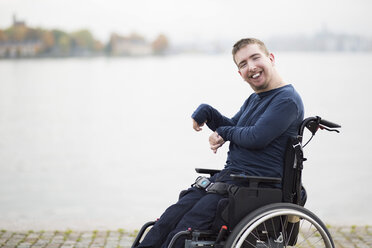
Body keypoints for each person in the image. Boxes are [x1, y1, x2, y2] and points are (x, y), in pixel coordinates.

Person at [136, 38, 304, 248]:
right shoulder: (256, 99)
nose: (250, 67)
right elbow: (234, 126)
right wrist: (207, 112)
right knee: (165, 223)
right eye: (242, 64)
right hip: (231, 180)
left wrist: (223, 131)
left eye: (255, 58)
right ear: (240, 73)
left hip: (255, 185)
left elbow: (255, 137)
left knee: (182, 233)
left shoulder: (286, 101)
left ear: (270, 58)